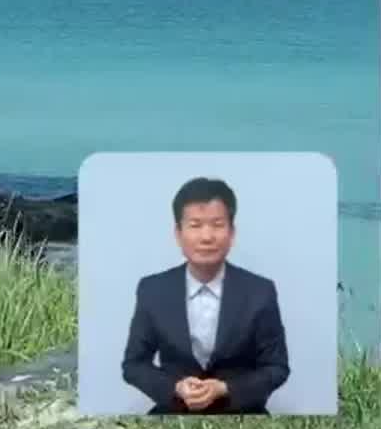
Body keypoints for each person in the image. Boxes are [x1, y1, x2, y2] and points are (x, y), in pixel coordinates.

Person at [121, 176, 290, 415]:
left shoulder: (259, 291)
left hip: (242, 414)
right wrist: (176, 387)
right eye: (195, 225)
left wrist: (225, 388)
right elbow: (133, 365)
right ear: (178, 234)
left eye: (217, 225)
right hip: (173, 413)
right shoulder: (153, 289)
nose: (207, 237)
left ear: (231, 233)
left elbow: (276, 368)